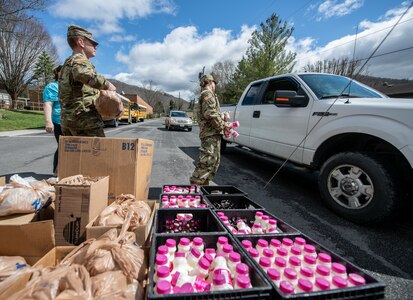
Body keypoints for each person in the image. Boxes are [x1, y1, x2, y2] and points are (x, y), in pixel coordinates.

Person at [59, 25, 116, 137]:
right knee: (98, 153)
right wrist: (108, 85)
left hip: (68, 121)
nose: (95, 47)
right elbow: (82, 73)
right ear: (81, 42)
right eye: (93, 43)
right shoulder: (80, 60)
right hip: (85, 122)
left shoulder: (66, 64)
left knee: (73, 154)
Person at [190, 74, 229, 186]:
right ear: (210, 82)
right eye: (214, 83)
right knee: (207, 161)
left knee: (214, 161)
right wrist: (223, 125)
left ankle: (203, 186)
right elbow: (210, 114)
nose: (215, 85)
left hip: (212, 133)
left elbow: (212, 113)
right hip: (209, 134)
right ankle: (195, 187)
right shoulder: (207, 94)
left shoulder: (209, 95)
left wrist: (222, 118)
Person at [43, 65, 63, 175]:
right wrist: (48, 121)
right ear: (58, 73)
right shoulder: (52, 87)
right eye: (62, 71)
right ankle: (57, 172)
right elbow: (48, 104)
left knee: (74, 147)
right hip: (59, 122)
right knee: (63, 146)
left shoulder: (72, 87)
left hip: (73, 122)